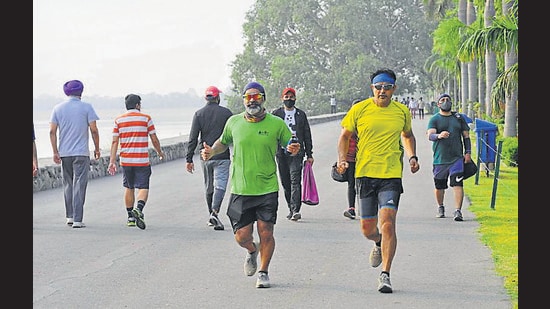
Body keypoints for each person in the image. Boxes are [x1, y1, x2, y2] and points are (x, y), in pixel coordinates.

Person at [200, 81, 300, 289]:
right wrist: (211, 151)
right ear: (243, 100)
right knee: (241, 236)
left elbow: (288, 143)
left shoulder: (276, 123)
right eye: (248, 97)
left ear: (263, 99)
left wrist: (293, 148)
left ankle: (263, 272)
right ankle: (252, 251)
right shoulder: (234, 122)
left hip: (267, 188)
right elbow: (222, 142)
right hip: (241, 189)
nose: (252, 100)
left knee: (266, 231)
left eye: (256, 96)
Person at [336, 68, 420, 293]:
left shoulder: (401, 111)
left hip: (390, 175)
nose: (382, 91)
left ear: (394, 88)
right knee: (368, 229)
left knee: (388, 223)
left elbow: (408, 135)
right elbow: (344, 136)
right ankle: (377, 242)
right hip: (364, 174)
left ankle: (386, 274)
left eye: (387, 87)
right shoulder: (359, 109)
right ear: (372, 88)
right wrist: (342, 159)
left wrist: (412, 156)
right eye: (378, 87)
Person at [107, 94, 165, 230]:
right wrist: (159, 152)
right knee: (143, 187)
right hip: (141, 160)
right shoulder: (146, 119)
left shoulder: (118, 120)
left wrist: (112, 161)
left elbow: (115, 141)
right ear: (138, 105)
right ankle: (138, 209)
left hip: (126, 160)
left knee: (129, 187)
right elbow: (154, 139)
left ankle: (130, 218)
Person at [49, 80, 101, 228]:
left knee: (68, 184)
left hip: (64, 153)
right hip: (81, 153)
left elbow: (52, 131)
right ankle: (78, 219)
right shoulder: (87, 107)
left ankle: (70, 216)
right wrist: (97, 149)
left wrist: (55, 151)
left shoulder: (57, 108)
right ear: (81, 91)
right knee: (79, 184)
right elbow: (94, 130)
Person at [186, 86, 233, 230]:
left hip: (205, 156)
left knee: (209, 185)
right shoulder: (226, 113)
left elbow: (193, 138)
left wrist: (189, 159)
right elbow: (235, 135)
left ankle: (211, 215)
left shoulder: (199, 114)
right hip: (222, 155)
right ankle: (214, 212)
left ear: (206, 98)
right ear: (217, 97)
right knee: (220, 184)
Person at [426, 93, 472, 221]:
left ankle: (458, 211)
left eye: (448, 100)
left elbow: (466, 136)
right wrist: (439, 136)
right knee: (439, 186)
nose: (446, 101)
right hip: (440, 159)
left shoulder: (458, 118)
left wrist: (467, 152)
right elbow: (430, 135)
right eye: (443, 100)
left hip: (456, 158)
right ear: (438, 104)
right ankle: (440, 206)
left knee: (457, 183)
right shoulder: (434, 119)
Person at [272, 87, 314, 221]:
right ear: (282, 98)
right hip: (281, 152)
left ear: (295, 98)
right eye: (286, 97)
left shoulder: (301, 115)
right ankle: (291, 207)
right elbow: (271, 134)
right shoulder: (276, 114)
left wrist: (309, 154)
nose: (289, 99)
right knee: (285, 181)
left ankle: (296, 209)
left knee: (295, 180)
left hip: (297, 151)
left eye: (291, 97)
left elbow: (307, 134)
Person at [342, 99, 361, 220]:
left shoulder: (367, 122)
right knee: (351, 184)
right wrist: (342, 159)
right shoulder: (347, 123)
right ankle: (351, 208)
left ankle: (366, 209)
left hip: (364, 158)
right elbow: (342, 141)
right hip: (350, 157)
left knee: (363, 184)